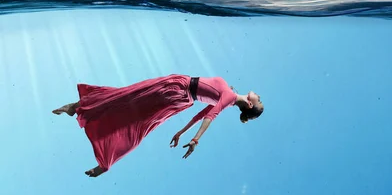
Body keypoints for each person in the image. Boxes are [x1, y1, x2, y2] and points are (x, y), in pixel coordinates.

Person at [52, 74, 264, 177]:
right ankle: (80, 107)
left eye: (259, 100)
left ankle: (80, 109)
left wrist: (195, 139)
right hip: (180, 92)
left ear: (249, 103)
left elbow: (210, 116)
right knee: (130, 100)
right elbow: (201, 114)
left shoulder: (228, 96)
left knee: (130, 102)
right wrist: (181, 132)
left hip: (178, 90)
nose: (259, 95)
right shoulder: (228, 94)